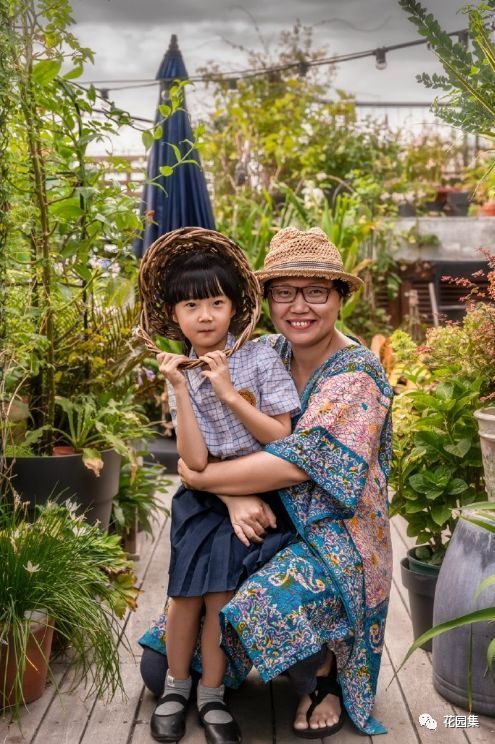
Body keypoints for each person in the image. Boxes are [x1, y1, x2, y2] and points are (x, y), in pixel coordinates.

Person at [140, 226, 393, 740]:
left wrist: (200, 476)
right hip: (262, 521)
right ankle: (252, 663)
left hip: (332, 537)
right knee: (158, 666)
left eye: (316, 291)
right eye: (284, 292)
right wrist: (231, 496)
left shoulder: (356, 373)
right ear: (266, 300)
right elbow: (224, 446)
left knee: (261, 611)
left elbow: (295, 465)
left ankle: (320, 675)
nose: (300, 306)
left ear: (339, 298)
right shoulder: (264, 353)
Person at [139, 240, 301, 744]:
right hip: (202, 495)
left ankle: (212, 694)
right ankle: (175, 687)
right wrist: (185, 393)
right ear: (174, 314)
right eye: (191, 305)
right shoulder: (178, 371)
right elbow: (194, 460)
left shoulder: (257, 359)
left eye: (216, 303)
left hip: (256, 486)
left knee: (220, 595)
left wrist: (228, 392)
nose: (205, 316)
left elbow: (282, 438)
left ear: (235, 307)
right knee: (183, 595)